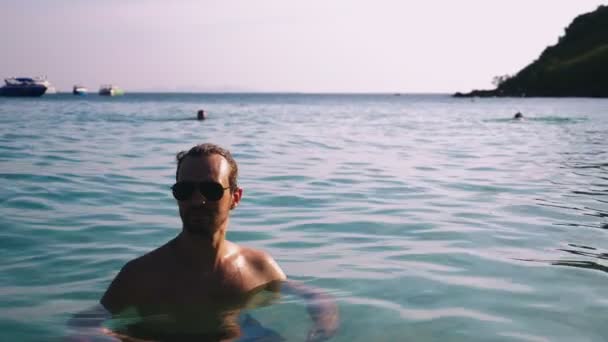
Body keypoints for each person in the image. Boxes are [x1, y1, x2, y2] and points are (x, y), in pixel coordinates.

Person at [69, 143, 338, 341]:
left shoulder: (257, 266)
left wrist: (322, 326)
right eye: (185, 190)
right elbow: (84, 324)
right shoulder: (143, 274)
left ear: (235, 197)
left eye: (210, 190)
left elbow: (314, 295)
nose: (198, 201)